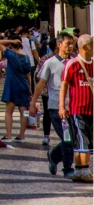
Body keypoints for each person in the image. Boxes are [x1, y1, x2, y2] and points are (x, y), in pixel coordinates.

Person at [30, 31, 76, 179]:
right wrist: (33, 103)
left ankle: (54, 156)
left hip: (73, 106)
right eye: (67, 44)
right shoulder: (50, 63)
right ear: (59, 44)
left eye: (72, 44)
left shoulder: (74, 62)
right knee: (67, 138)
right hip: (56, 106)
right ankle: (68, 168)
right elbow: (40, 84)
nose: (70, 47)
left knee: (73, 139)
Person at [59, 34, 93, 183]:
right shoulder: (72, 64)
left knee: (87, 139)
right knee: (81, 138)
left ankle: (79, 170)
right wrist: (62, 106)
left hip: (92, 108)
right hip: (77, 108)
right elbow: (64, 85)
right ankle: (84, 170)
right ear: (86, 47)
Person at [0, 36, 33, 146]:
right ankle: (21, 135)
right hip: (24, 85)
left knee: (9, 111)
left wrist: (11, 40)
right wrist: (30, 88)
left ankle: (8, 135)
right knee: (23, 111)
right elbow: (28, 74)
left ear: (12, 45)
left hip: (12, 85)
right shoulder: (26, 57)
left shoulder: (10, 54)